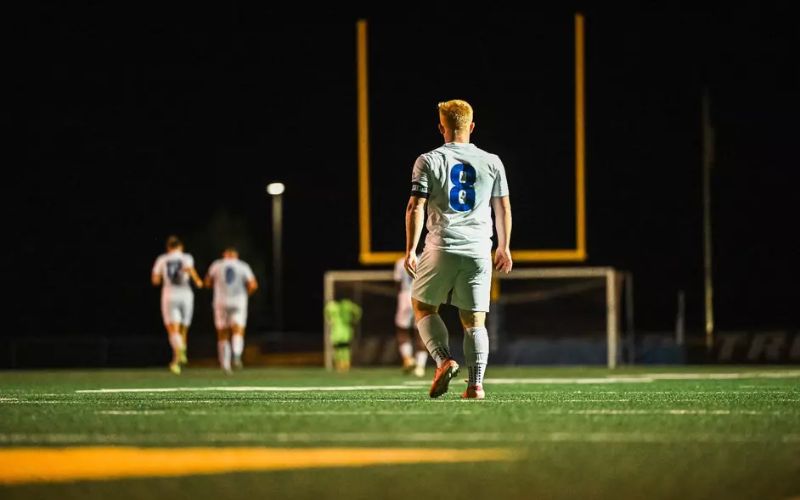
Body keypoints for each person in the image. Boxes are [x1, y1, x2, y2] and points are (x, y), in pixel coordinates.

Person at [404, 99, 513, 399]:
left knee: (423, 306)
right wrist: (504, 247)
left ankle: (443, 360)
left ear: (441, 127)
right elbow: (502, 206)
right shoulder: (492, 161)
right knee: (474, 320)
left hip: (443, 244)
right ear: (472, 127)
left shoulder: (427, 160)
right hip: (479, 249)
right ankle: (476, 385)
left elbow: (416, 206)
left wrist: (410, 249)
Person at [151, 235, 203, 374]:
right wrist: (197, 280)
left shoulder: (162, 259)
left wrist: (161, 278)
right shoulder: (186, 257)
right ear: (181, 247)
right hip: (186, 295)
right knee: (183, 330)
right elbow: (190, 269)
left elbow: (155, 280)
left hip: (170, 295)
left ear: (168, 247)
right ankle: (177, 359)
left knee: (173, 329)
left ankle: (178, 354)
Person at [205, 247, 258, 374]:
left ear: (224, 254)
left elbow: (207, 282)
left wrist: (217, 287)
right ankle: (237, 354)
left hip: (221, 301)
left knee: (222, 333)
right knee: (238, 330)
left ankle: (225, 364)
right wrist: (246, 295)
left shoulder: (217, 265)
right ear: (236, 255)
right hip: (238, 301)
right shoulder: (243, 266)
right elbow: (253, 285)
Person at [394, 256, 428, 377]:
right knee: (421, 332)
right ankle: (420, 366)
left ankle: (408, 359)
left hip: (405, 296)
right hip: (420, 296)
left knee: (402, 330)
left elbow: (398, 284)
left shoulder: (400, 262)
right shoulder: (426, 260)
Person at [324, 298, 362, 372]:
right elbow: (358, 311)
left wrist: (355, 319)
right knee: (340, 349)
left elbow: (358, 310)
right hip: (339, 332)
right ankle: (341, 364)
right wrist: (355, 319)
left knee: (343, 349)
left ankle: (344, 364)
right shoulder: (334, 306)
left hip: (342, 332)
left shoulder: (343, 306)